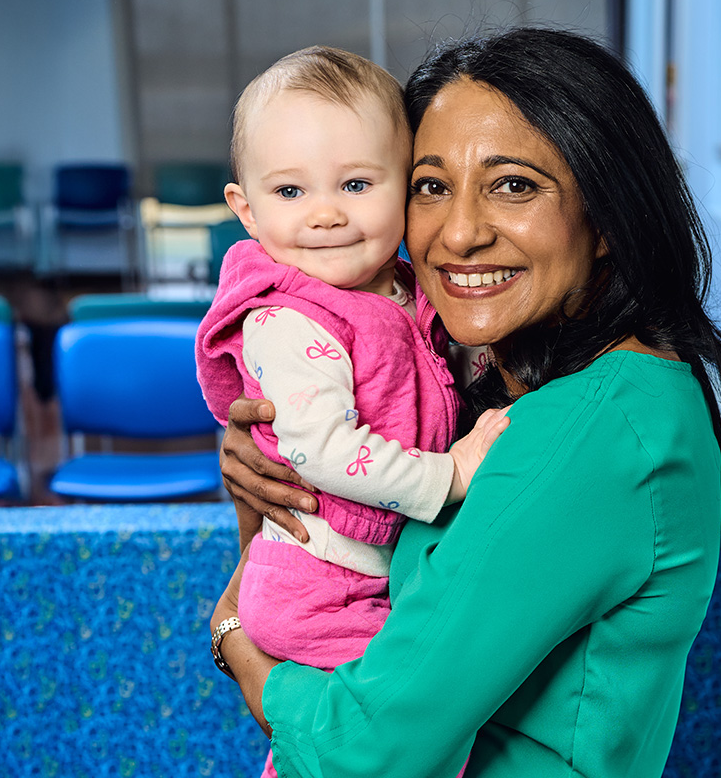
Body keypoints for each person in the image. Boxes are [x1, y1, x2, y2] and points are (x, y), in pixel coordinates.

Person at [211, 28, 721, 778]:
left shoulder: (592, 431)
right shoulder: (515, 382)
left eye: (513, 184)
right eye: (430, 185)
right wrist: (267, 476)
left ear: (608, 218)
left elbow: (361, 752)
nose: (460, 232)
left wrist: (231, 633)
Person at [196, 45, 507, 778]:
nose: (328, 214)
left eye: (358, 183)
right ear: (246, 209)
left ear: (407, 189)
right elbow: (323, 449)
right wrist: (449, 474)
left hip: (361, 571)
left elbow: (435, 367)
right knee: (390, 734)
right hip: (323, 582)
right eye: (291, 192)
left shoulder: (398, 290)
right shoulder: (289, 321)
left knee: (355, 738)